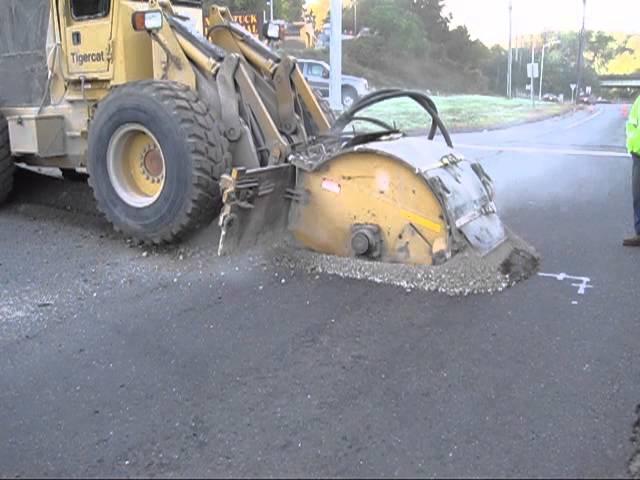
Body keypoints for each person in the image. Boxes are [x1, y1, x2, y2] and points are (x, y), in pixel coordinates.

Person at [623, 94, 640, 246]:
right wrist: (631, 146)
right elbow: (631, 124)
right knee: (638, 196)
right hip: (638, 155)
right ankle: (639, 233)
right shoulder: (639, 101)